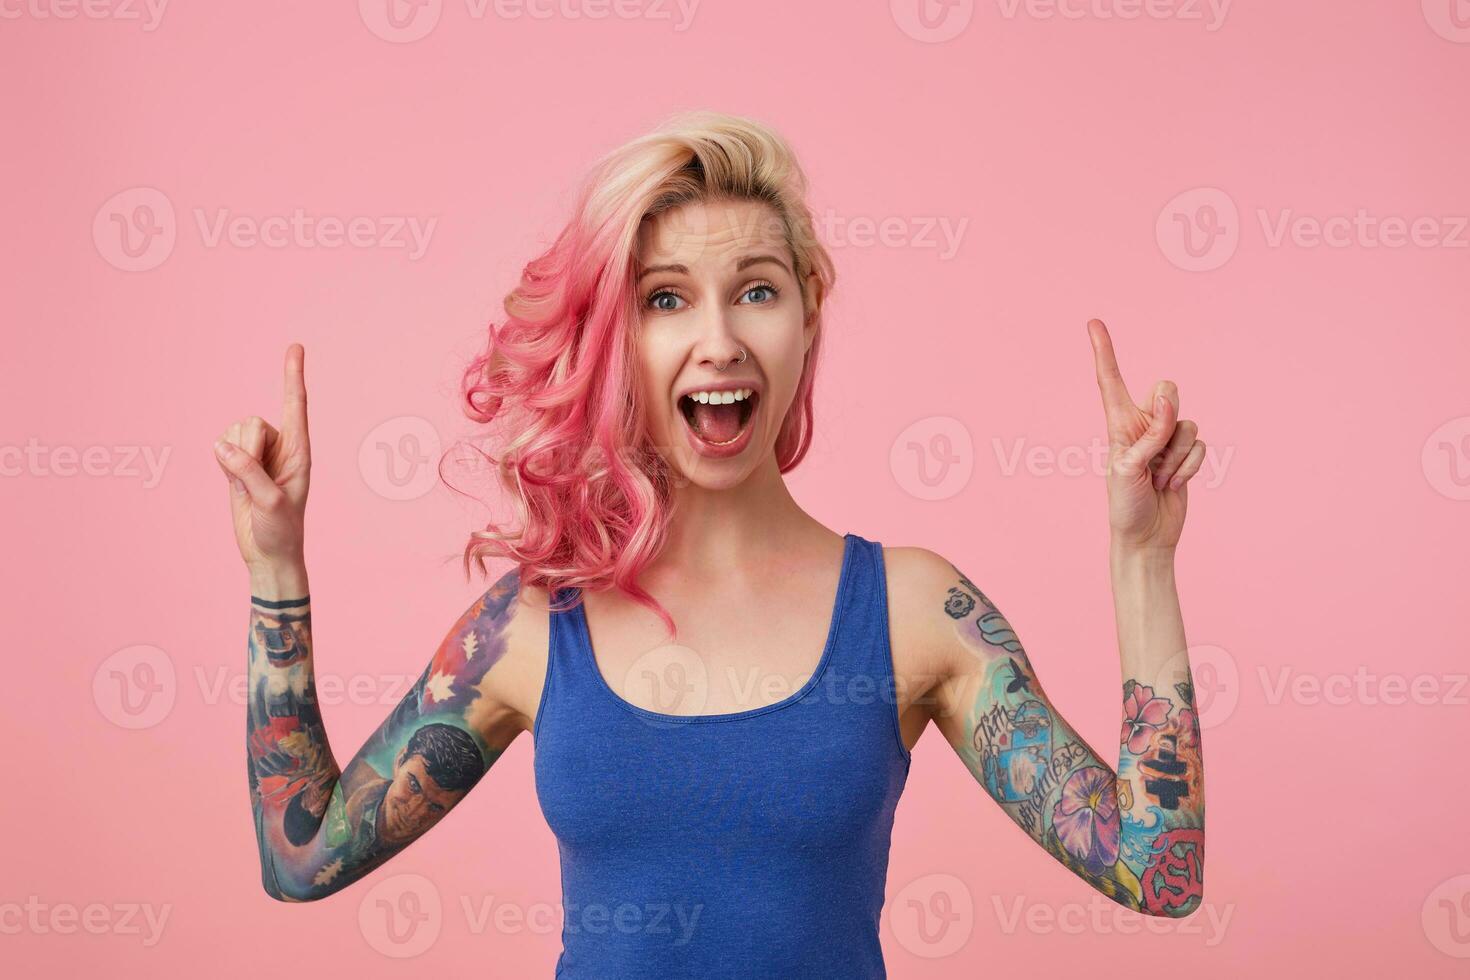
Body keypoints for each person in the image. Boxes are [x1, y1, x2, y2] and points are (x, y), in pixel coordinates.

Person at [213, 111, 1209, 977]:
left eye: (759, 291)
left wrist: (1142, 559)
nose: (720, 339)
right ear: (616, 339)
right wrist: (273, 568)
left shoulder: (914, 611)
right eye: (667, 297)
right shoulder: (530, 625)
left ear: (809, 317)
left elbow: (1152, 866)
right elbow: (303, 856)